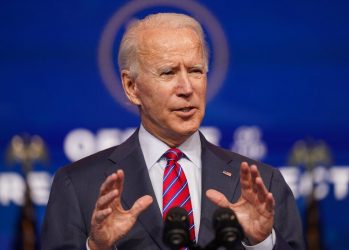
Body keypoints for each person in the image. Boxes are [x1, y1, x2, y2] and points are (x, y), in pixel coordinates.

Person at [41, 13, 305, 250]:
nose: (186, 87)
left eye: (195, 71)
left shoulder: (263, 185)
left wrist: (262, 242)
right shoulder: (77, 186)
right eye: (168, 73)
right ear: (131, 86)